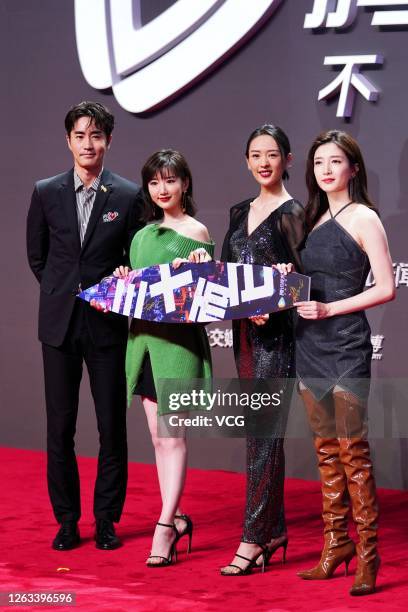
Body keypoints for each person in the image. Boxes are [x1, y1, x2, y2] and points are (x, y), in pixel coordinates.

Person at [26, 101, 144, 551]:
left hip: (107, 326)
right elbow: (37, 256)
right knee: (60, 427)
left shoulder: (129, 195)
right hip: (58, 327)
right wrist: (63, 292)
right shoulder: (46, 191)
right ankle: (67, 521)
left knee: (111, 426)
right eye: (80, 135)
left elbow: (133, 261)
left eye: (97, 136)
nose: (88, 143)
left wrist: (107, 292)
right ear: (69, 141)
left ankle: (107, 520)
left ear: (108, 141)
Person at [293, 130, 395, 596]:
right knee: (326, 453)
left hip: (346, 345)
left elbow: (386, 288)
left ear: (353, 168)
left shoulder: (365, 218)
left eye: (336, 161)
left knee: (353, 451)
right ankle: (336, 545)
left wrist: (332, 309)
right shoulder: (310, 218)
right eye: (319, 163)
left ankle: (369, 555)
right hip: (308, 344)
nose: (327, 170)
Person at [115, 149, 214, 567]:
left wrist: (198, 267)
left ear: (185, 184)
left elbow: (209, 297)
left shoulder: (197, 232)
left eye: (170, 180)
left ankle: (164, 525)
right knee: (158, 439)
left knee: (173, 438)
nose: (162, 189)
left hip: (178, 348)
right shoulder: (140, 237)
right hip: (143, 347)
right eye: (155, 182)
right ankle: (173, 519)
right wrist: (124, 282)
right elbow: (137, 294)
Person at [219, 125, 305, 575]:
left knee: (265, 436)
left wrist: (272, 303)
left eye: (273, 154)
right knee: (258, 435)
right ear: (247, 161)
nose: (264, 162)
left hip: (277, 337)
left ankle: (253, 538)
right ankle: (274, 530)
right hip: (244, 335)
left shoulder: (295, 214)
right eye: (256, 154)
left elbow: (306, 283)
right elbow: (227, 274)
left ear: (288, 159)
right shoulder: (237, 211)